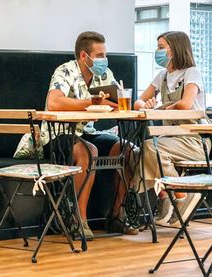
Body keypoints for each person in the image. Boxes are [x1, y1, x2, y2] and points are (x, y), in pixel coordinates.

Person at [43, 31, 137, 236]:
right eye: (100, 55)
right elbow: (54, 102)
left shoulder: (105, 74)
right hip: (58, 134)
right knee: (89, 150)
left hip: (88, 131)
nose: (105, 60)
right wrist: (90, 104)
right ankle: (79, 221)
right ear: (84, 56)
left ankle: (116, 216)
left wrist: (113, 105)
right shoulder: (65, 71)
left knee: (127, 149)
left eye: (105, 54)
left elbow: (114, 103)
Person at [133, 31, 208, 227]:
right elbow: (137, 102)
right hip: (172, 140)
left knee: (151, 148)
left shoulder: (192, 72)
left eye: (160, 47)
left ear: (173, 50)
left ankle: (181, 196)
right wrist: (146, 105)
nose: (157, 51)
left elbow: (185, 104)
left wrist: (161, 107)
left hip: (195, 140)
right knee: (142, 151)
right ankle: (165, 195)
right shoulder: (162, 76)